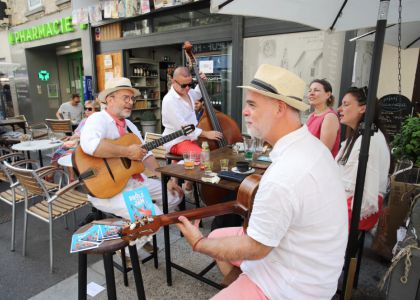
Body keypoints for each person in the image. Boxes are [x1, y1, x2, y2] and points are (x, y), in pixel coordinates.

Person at [176, 64, 348, 300]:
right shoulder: (311, 146)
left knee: (211, 241)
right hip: (316, 267)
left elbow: (256, 248)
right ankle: (240, 284)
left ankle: (247, 287)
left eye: (252, 104)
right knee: (218, 236)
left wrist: (198, 243)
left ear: (279, 108)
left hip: (294, 286)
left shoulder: (285, 174)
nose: (244, 111)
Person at [79, 77, 183, 246]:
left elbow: (146, 154)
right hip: (108, 189)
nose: (131, 102)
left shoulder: (129, 125)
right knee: (152, 217)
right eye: (125, 98)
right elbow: (91, 145)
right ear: (110, 99)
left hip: (134, 182)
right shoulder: (98, 119)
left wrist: (165, 179)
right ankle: (131, 246)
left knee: (174, 196)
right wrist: (127, 151)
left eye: (132, 98)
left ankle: (139, 231)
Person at [336, 86, 390, 231]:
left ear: (362, 108)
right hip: (354, 200)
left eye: (345, 104)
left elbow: (358, 190)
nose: (339, 109)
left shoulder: (369, 139)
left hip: (359, 207)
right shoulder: (360, 135)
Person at [161, 66, 222, 156]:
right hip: (177, 141)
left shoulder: (187, 92)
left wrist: (202, 81)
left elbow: (197, 93)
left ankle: (179, 166)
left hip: (191, 138)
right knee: (204, 156)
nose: (187, 88)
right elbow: (184, 127)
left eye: (190, 84)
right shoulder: (169, 100)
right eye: (184, 85)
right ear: (174, 82)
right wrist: (206, 134)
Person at [50, 100, 101, 181]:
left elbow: (90, 137)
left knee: (68, 153)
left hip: (84, 145)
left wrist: (75, 140)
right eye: (85, 109)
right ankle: (51, 175)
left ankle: (71, 178)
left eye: (90, 109)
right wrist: (70, 137)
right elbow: (77, 132)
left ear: (97, 110)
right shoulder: (84, 120)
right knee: (58, 152)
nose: (86, 111)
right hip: (75, 143)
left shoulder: (97, 122)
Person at [306, 79, 341, 157]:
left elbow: (323, 154)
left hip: (320, 167)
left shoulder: (329, 117)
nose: (311, 93)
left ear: (328, 95)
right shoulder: (311, 116)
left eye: (316, 90)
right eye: (310, 90)